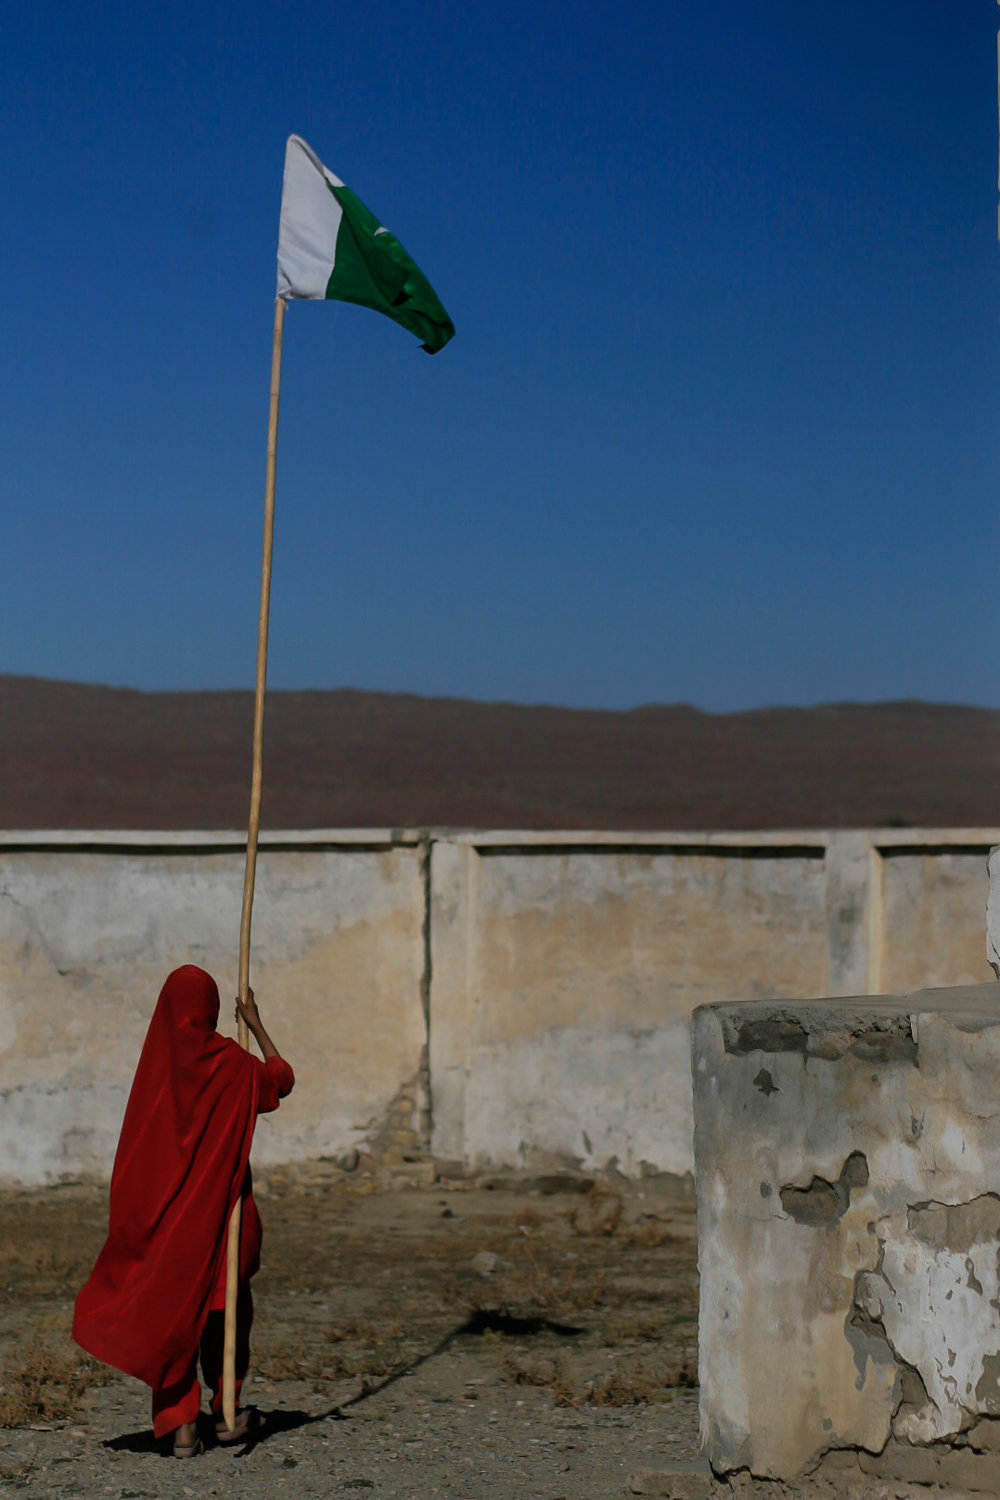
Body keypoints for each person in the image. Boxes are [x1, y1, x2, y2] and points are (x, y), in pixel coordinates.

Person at [73, 965, 294, 1457]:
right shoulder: (231, 1064)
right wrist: (256, 1026)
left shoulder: (155, 1073)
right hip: (223, 1225)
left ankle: (179, 1426)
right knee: (227, 1312)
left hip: (171, 1233)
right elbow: (280, 1080)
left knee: (171, 1316)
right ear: (213, 1010)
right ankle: (229, 1412)